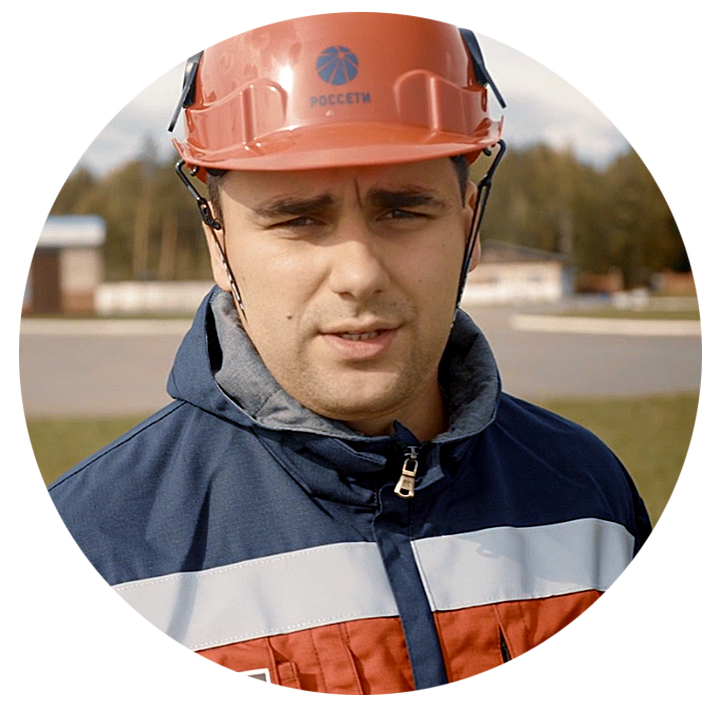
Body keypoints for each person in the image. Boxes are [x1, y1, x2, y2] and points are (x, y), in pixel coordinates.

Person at [19, 12, 651, 695]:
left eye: (403, 210)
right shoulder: (65, 575)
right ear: (219, 245)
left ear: (469, 228)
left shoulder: (589, 499)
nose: (359, 273)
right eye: (298, 219)